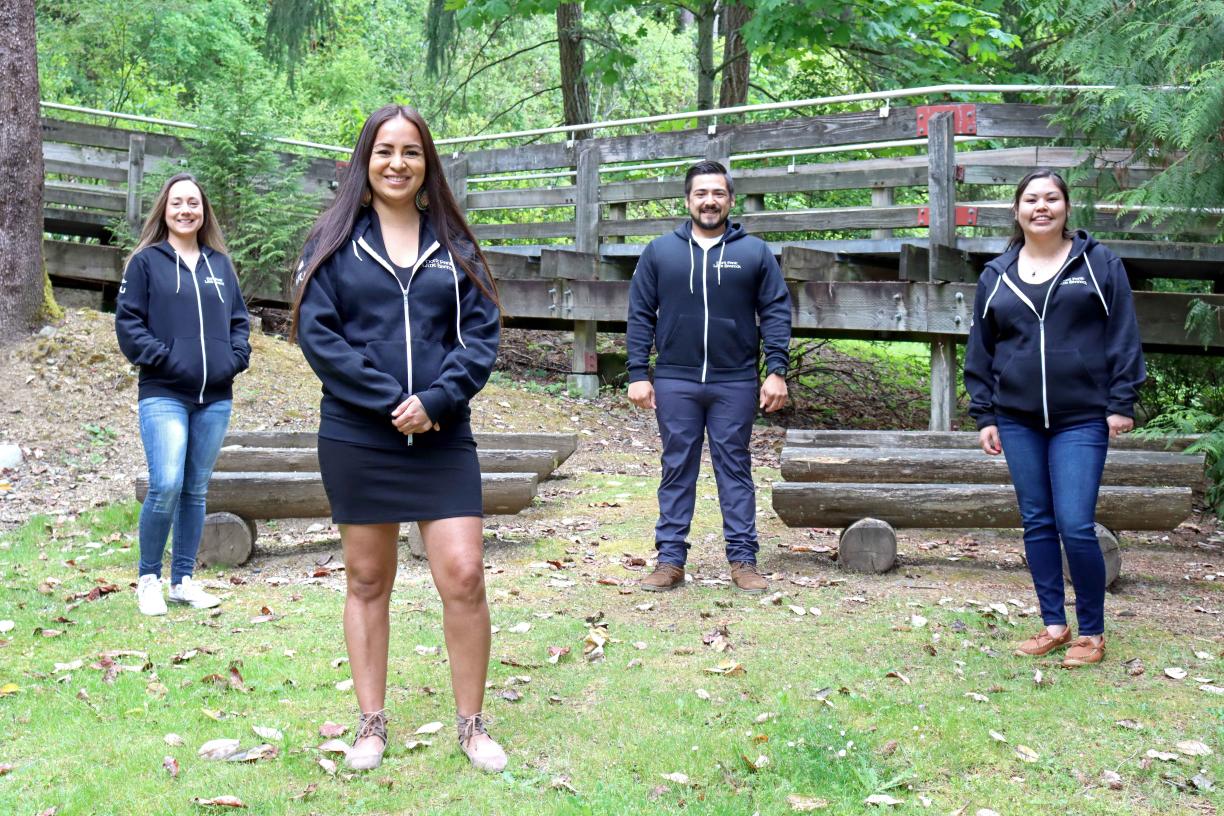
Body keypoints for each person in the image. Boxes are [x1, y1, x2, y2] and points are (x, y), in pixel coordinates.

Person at [292, 104, 504, 772]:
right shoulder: (331, 240)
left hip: (444, 436)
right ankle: (371, 725)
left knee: (464, 575)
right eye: (385, 150)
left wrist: (436, 401)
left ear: (426, 163)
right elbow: (320, 336)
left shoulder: (456, 244)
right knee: (366, 577)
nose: (397, 163)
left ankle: (471, 726)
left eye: (410, 152)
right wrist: (393, 403)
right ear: (365, 159)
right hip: (360, 436)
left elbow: (481, 338)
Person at [964, 169, 1145, 668]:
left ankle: (1092, 631)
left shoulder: (1100, 264)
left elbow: (1123, 336)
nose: (1040, 207)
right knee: (1038, 522)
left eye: (1051, 199)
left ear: (1066, 208)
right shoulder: (995, 274)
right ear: (1017, 210)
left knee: (1075, 522)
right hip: (1017, 418)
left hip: (1082, 418)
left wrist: (1120, 402)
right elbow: (980, 351)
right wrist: (985, 415)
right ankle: (1053, 624)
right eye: (1030, 199)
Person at [626, 160, 792, 594]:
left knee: (734, 468)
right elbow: (640, 314)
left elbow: (775, 311)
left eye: (718, 193)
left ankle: (743, 560)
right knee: (676, 466)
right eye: (701, 193)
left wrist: (776, 370)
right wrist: (637, 373)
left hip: (734, 381)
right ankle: (669, 561)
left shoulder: (753, 252)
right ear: (687, 200)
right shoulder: (660, 252)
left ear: (730, 200)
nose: (709, 201)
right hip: (675, 379)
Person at [115, 172, 250, 616]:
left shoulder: (220, 266)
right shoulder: (145, 263)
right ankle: (149, 578)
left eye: (193, 202)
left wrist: (235, 359)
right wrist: (170, 361)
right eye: (177, 203)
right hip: (164, 393)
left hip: (215, 397)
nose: (186, 210)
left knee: (195, 489)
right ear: (165, 209)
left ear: (203, 211)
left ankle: (184, 580)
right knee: (166, 484)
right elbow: (129, 326)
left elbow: (238, 323)